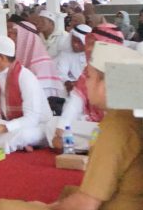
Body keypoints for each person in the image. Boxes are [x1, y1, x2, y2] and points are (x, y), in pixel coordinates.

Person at [0, 42, 143, 210]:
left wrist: (47, 208)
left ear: (105, 84)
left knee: (3, 205)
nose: (85, 84)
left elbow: (86, 205)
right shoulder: (131, 113)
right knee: (68, 192)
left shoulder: (116, 125)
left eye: (89, 77)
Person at [46, 23, 124, 152]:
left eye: (94, 44)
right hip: (92, 124)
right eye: (89, 43)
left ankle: (91, 146)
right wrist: (60, 130)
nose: (89, 48)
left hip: (115, 128)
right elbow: (75, 101)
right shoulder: (88, 71)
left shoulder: (123, 71)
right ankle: (93, 146)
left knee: (112, 135)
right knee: (52, 125)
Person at [13, 20, 65, 98]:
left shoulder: (42, 63)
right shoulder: (16, 58)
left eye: (15, 34)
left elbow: (40, 95)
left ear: (25, 37)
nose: (11, 37)